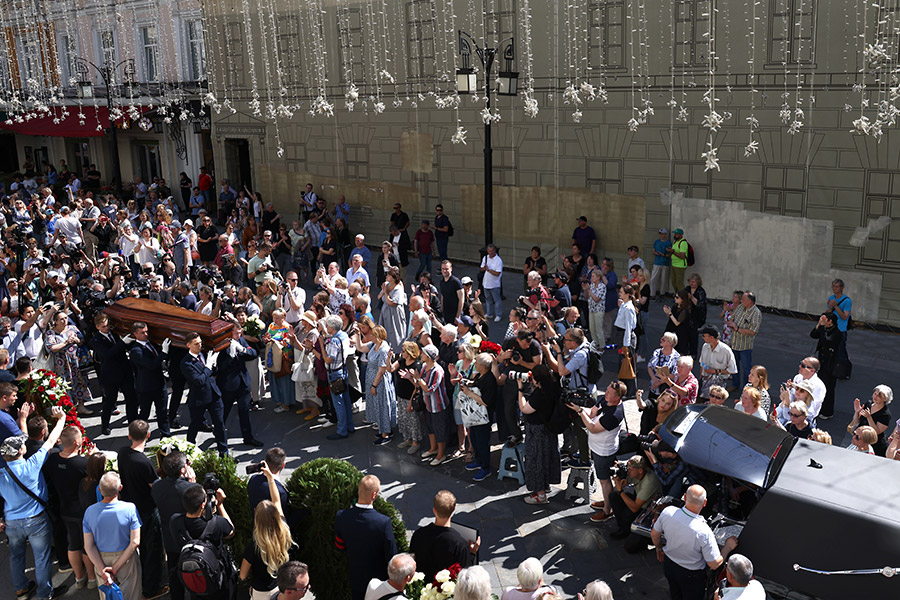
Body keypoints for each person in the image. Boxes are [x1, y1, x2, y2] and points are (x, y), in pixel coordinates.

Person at [0, 407, 67, 600]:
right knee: (42, 558)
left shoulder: (2, 474)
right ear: (21, 451)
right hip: (36, 521)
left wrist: (22, 418)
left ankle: (21, 589)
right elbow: (52, 440)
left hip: (12, 523)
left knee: (16, 556)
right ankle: (45, 594)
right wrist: (61, 418)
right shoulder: (32, 465)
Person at [652, 485, 739, 600]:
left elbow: (654, 534)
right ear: (705, 503)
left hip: (669, 566)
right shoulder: (704, 531)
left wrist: (659, 548)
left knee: (675, 594)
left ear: (684, 497)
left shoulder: (668, 512)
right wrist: (727, 547)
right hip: (691, 576)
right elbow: (713, 564)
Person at [116, 420, 167, 600]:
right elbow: (155, 487)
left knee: (139, 544)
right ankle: (151, 589)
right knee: (152, 549)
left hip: (130, 508)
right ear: (148, 435)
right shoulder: (144, 462)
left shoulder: (122, 453)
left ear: (129, 436)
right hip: (146, 510)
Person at [42, 425, 96, 590]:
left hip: (64, 510)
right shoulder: (82, 464)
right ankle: (92, 579)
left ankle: (79, 578)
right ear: (75, 442)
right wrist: (91, 458)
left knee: (73, 544)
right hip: (82, 511)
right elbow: (93, 479)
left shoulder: (52, 460)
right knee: (87, 546)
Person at [568, 381, 626, 523]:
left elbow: (593, 427)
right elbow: (593, 412)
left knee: (605, 481)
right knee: (603, 480)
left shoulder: (615, 414)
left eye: (609, 393)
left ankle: (607, 510)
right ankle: (607, 501)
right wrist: (580, 408)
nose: (605, 393)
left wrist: (580, 412)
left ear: (617, 398)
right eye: (606, 390)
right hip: (596, 448)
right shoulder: (605, 400)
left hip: (604, 452)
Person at [334, 475, 398, 600]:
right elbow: (391, 555)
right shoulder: (383, 522)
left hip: (355, 574)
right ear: (374, 495)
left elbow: (339, 546)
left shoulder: (341, 516)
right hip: (379, 579)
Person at [82, 472, 143, 600]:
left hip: (100, 558)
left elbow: (88, 546)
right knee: (131, 594)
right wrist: (115, 568)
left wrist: (103, 569)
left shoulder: (89, 511)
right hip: (126, 558)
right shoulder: (130, 508)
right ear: (120, 488)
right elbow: (135, 542)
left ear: (99, 490)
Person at [169, 483, 235, 600]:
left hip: (196, 579)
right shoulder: (216, 523)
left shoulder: (175, 521)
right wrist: (220, 505)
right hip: (218, 579)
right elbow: (230, 532)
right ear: (202, 505)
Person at [239, 462, 294, 600]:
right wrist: (270, 478)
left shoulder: (255, 545)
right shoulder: (284, 530)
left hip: (261, 593)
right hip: (281, 588)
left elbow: (242, 575)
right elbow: (276, 501)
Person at [408, 490, 480, 584]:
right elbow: (464, 575)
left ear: (434, 510)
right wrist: (472, 554)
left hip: (420, 589)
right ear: (453, 510)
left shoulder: (418, 534)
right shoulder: (459, 544)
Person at [516, 365, 562, 505]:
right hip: (549, 429)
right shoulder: (554, 387)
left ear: (536, 380)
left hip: (536, 431)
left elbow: (524, 409)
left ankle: (540, 494)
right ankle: (545, 485)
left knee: (536, 461)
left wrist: (520, 390)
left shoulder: (539, 395)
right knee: (547, 458)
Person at [150, 451, 193, 600]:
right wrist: (192, 483)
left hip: (169, 537)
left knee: (173, 572)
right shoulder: (189, 488)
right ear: (183, 470)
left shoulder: (156, 487)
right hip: (189, 536)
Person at [180, 331, 228, 456]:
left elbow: (213, 372)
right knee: (195, 425)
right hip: (199, 398)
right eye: (196, 344)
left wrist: (214, 365)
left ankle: (224, 455)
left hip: (213, 395)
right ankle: (189, 451)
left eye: (200, 343)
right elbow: (199, 381)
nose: (199, 346)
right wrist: (208, 366)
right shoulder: (186, 363)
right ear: (188, 345)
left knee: (219, 424)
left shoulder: (204, 354)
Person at [216, 322, 263, 447]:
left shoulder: (241, 341)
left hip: (243, 383)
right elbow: (220, 367)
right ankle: (219, 435)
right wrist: (230, 356)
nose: (239, 335)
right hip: (228, 385)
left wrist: (242, 349)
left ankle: (248, 437)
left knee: (244, 411)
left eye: (240, 332)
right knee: (224, 412)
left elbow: (253, 353)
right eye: (236, 333)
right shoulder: (221, 344)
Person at [90, 313, 138, 436]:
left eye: (107, 325)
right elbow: (107, 354)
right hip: (111, 374)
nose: (107, 328)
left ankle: (133, 425)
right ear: (97, 327)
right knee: (110, 401)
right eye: (103, 327)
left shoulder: (115, 334)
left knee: (131, 399)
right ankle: (105, 425)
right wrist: (122, 343)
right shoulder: (96, 340)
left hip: (125, 371)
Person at [606, 455, 662, 552]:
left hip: (648, 511)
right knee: (614, 497)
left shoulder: (649, 482)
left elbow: (635, 508)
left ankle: (643, 537)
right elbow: (625, 482)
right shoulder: (636, 473)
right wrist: (620, 479)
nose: (628, 471)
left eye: (630, 469)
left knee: (630, 547)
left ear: (640, 470)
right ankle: (624, 529)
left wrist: (620, 491)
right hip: (639, 503)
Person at [127, 321, 171, 436]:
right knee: (144, 414)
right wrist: (163, 353)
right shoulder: (136, 351)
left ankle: (166, 435)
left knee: (162, 412)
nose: (146, 334)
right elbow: (151, 365)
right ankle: (139, 436)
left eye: (146, 331)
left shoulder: (151, 343)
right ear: (135, 334)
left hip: (159, 384)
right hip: (146, 387)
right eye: (142, 333)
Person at [461, 353, 498, 482]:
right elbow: (477, 384)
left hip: (483, 416)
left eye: (476, 362)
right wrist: (469, 383)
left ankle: (485, 468)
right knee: (475, 440)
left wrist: (469, 393)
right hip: (474, 415)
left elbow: (486, 401)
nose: (474, 364)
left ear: (483, 366)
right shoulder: (480, 376)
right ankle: (478, 461)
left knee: (482, 443)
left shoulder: (490, 379)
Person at [810, 312, 842, 420]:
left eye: (825, 319)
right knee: (820, 385)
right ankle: (820, 408)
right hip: (822, 362)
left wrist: (822, 328)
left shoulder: (837, 333)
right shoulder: (824, 329)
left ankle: (828, 411)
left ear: (830, 321)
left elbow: (827, 341)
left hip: (831, 363)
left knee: (829, 387)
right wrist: (819, 325)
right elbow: (813, 335)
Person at [726, 292, 762, 390]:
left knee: (747, 369)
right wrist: (730, 323)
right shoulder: (740, 307)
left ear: (749, 301)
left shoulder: (756, 313)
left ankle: (746, 388)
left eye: (743, 299)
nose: (741, 301)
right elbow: (733, 318)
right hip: (734, 343)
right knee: (734, 366)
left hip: (745, 346)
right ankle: (735, 385)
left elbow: (753, 331)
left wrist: (737, 328)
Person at [846, 386, 892, 456]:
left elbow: (877, 432)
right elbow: (857, 422)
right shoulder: (868, 404)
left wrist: (869, 417)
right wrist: (857, 412)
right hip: (860, 440)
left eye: (879, 396)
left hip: (875, 445)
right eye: (875, 393)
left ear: (885, 399)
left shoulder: (885, 414)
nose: (875, 397)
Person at [696, 326, 736, 403]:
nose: (702, 337)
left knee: (714, 407)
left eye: (704, 335)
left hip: (718, 386)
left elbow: (732, 370)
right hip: (704, 383)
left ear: (711, 338)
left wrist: (715, 371)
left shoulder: (726, 350)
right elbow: (702, 363)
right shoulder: (705, 346)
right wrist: (701, 378)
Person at [826, 278, 852, 360]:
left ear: (841, 288)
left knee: (841, 352)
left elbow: (844, 317)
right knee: (830, 351)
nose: (834, 288)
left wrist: (836, 306)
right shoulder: (831, 298)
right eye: (833, 286)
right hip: (831, 329)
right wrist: (830, 307)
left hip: (841, 330)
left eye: (837, 287)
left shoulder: (847, 301)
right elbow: (828, 314)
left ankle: (844, 367)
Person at [480, 244, 504, 321]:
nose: (490, 253)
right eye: (488, 251)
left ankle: (498, 315)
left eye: (491, 251)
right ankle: (489, 313)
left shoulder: (498, 260)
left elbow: (497, 273)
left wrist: (488, 270)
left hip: (495, 284)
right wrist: (483, 268)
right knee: (488, 299)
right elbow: (481, 269)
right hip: (486, 283)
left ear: (495, 251)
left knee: (497, 300)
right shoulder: (485, 258)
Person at [650, 228, 672, 298]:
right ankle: (652, 294)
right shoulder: (656, 242)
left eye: (663, 234)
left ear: (665, 234)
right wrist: (656, 253)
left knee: (663, 279)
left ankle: (662, 293)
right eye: (660, 234)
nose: (661, 235)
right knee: (653, 279)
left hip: (665, 263)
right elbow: (653, 251)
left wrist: (663, 254)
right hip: (657, 262)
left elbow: (670, 254)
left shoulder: (668, 243)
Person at [669, 228, 689, 292]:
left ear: (681, 235)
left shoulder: (683, 243)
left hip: (680, 266)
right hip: (674, 264)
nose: (675, 235)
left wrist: (673, 252)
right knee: (673, 282)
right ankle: (677, 296)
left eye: (676, 234)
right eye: (675, 234)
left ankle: (682, 298)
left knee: (679, 283)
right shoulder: (675, 242)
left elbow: (682, 256)